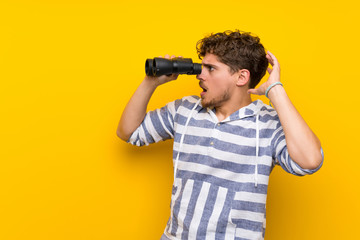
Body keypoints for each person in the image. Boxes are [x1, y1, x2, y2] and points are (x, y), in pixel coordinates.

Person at [117, 30, 324, 240]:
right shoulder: (185, 110)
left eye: (211, 68)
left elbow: (310, 161)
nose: (200, 75)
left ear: (242, 77)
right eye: (201, 66)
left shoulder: (266, 123)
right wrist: (150, 82)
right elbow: (129, 131)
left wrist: (275, 91)